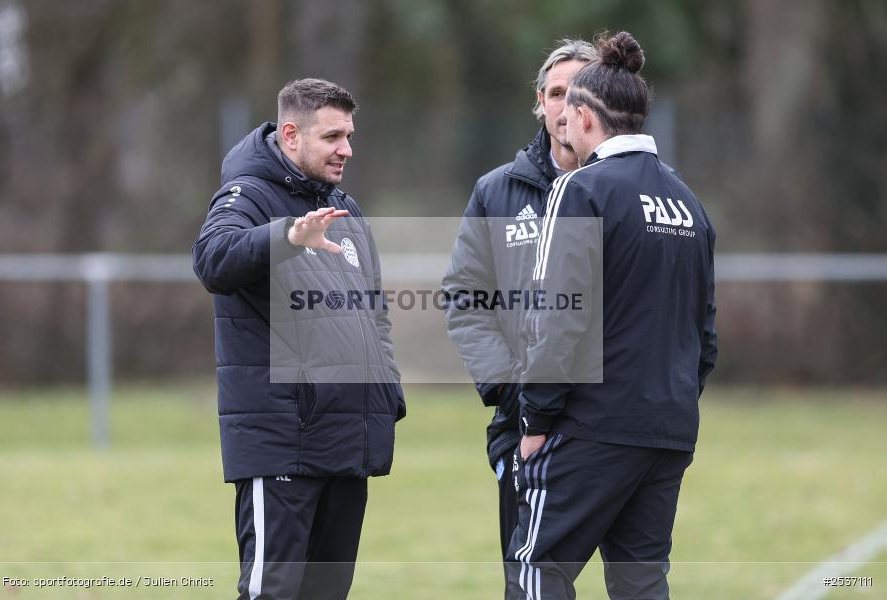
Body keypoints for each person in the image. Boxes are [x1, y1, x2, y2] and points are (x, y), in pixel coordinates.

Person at [509, 32, 718, 599]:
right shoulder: (688, 201)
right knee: (641, 580)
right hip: (669, 428)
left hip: (592, 427)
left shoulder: (581, 189)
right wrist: (667, 398)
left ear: (581, 117)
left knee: (537, 570)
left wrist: (536, 423)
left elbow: (557, 319)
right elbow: (706, 335)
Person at [192, 78, 405, 600]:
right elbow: (213, 259)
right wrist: (288, 237)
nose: (346, 150)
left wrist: (385, 394)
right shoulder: (247, 194)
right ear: (291, 135)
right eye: (333, 137)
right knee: (273, 591)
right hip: (284, 444)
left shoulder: (345, 208)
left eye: (349, 136)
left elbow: (373, 313)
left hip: (344, 441)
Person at [442, 39, 596, 598]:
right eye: (556, 93)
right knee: (530, 582)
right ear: (540, 101)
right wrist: (513, 390)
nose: (564, 107)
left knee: (636, 576)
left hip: (612, 422)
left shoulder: (628, 187)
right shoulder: (497, 191)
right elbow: (464, 297)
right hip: (526, 428)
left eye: (577, 93)